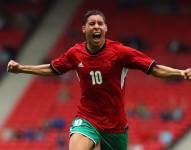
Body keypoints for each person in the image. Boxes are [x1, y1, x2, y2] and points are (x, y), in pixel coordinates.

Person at [7, 10, 191, 150]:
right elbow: (53, 68)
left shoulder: (120, 53)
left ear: (105, 29)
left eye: (100, 24)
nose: (96, 26)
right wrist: (23, 68)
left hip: (115, 126)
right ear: (84, 29)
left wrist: (181, 73)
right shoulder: (75, 53)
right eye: (92, 23)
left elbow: (154, 68)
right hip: (87, 119)